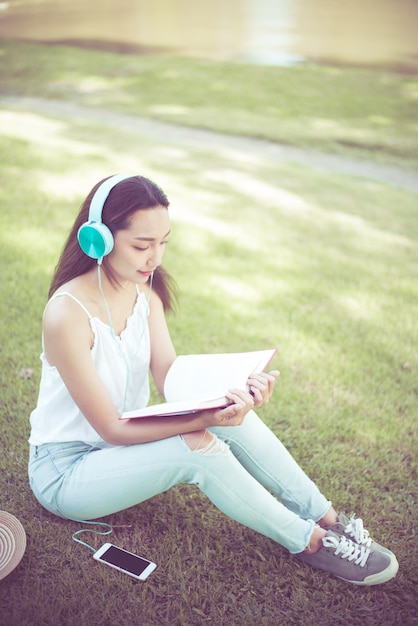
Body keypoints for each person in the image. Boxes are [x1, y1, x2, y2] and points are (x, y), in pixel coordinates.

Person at [28, 174, 398, 586]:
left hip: (117, 452)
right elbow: (112, 429)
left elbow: (169, 376)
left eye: (163, 242)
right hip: (66, 473)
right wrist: (210, 421)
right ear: (98, 238)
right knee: (196, 446)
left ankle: (328, 520)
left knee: (232, 416)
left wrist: (233, 394)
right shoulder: (66, 314)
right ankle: (309, 543)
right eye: (141, 245)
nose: (155, 258)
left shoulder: (143, 293)